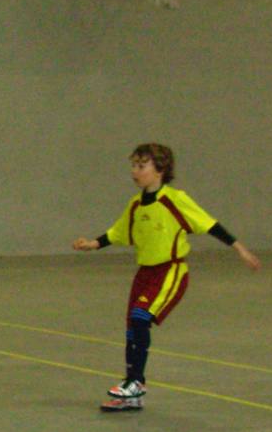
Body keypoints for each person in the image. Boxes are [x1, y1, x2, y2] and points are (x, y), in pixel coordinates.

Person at [72, 143, 260, 412]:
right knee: (131, 330)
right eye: (133, 165)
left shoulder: (174, 199)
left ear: (160, 169)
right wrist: (91, 244)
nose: (135, 171)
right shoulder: (136, 204)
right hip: (144, 274)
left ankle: (136, 381)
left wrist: (240, 249)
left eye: (142, 165)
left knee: (140, 317)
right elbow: (117, 233)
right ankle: (132, 394)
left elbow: (209, 223)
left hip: (170, 271)